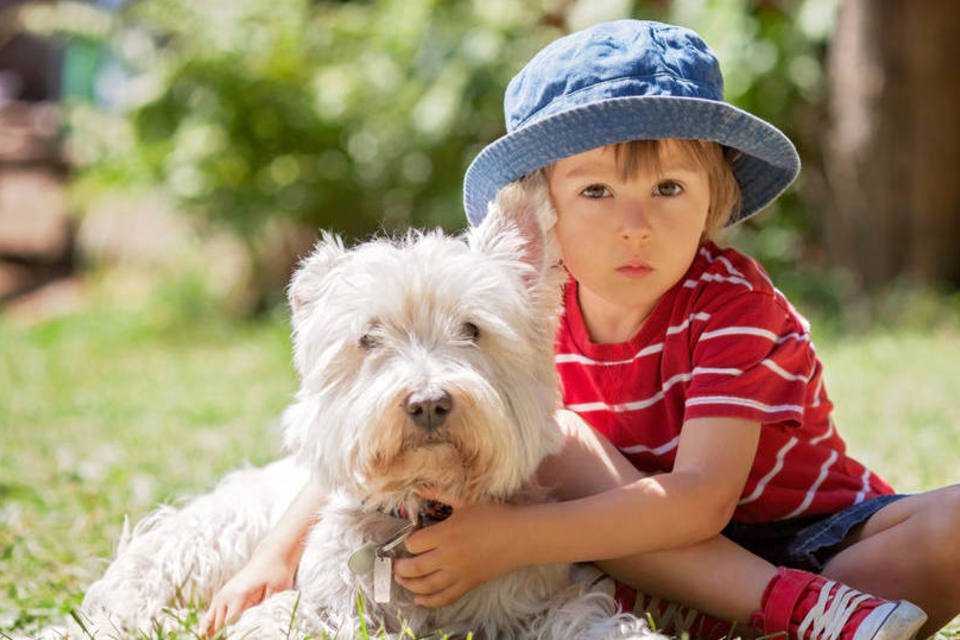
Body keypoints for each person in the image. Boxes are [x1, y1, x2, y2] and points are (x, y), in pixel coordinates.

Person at [205, 20, 960, 640]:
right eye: (596, 190)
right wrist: (276, 551)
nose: (635, 227)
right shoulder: (524, 314)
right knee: (561, 439)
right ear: (544, 214)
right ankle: (739, 618)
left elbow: (700, 503)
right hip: (628, 553)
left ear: (715, 196)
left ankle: (789, 614)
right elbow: (345, 440)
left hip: (810, 542)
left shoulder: (733, 305)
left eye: (668, 187)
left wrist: (507, 542)